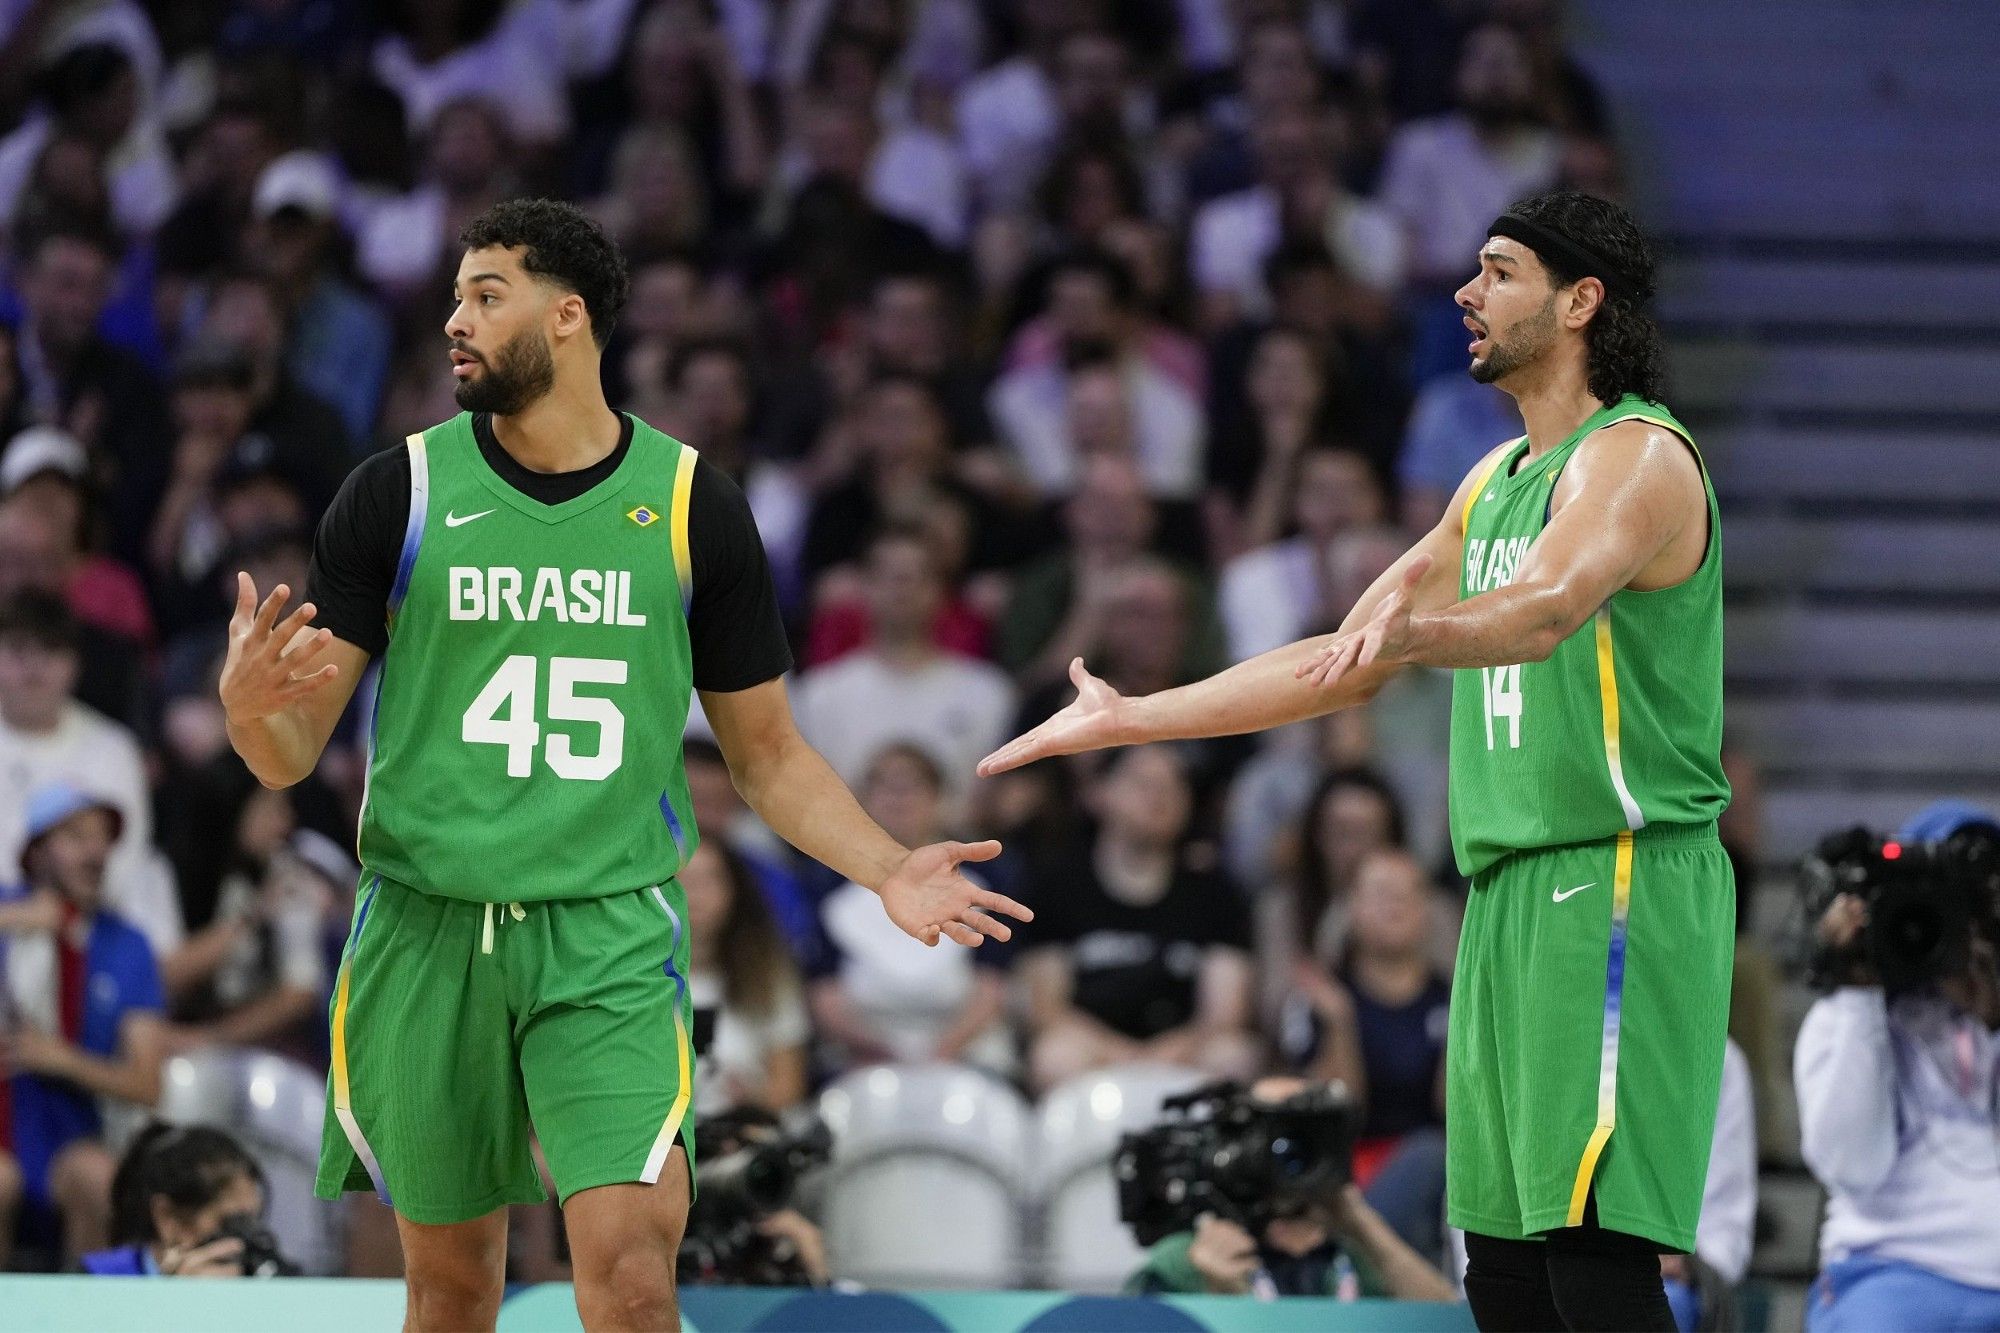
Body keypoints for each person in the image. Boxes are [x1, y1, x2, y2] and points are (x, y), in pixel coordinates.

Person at [220, 198, 1029, 1331]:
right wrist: (252, 715)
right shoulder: (395, 492)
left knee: (635, 1276)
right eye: (453, 296)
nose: (454, 320)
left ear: (567, 318)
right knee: (449, 1294)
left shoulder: (696, 504)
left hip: (604, 930)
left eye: (484, 296)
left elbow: (770, 756)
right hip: (425, 922)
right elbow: (290, 752)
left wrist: (886, 867)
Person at [984, 190, 1730, 1331]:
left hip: (1617, 880)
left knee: (1595, 1253)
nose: (1462, 294)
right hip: (1505, 892)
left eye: (1497, 272)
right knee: (1502, 1264)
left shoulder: (1633, 456)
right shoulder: (1490, 484)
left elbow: (1537, 611)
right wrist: (1135, 716)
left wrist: (1414, 633)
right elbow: (1340, 658)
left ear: (1580, 302)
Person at [1794, 803, 2000, 1333]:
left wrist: (1993, 1013)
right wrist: (1862, 991)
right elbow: (1853, 1166)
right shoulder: (1841, 1015)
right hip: (1885, 1269)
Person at [1016, 744, 1257, 1095]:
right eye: (1144, 784)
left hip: (1185, 1050)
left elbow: (1224, 1014)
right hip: (1092, 1050)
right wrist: (1124, 1055)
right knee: (1054, 1054)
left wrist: (1160, 1055)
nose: (1161, 797)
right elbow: (1047, 1009)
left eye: (1174, 785)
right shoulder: (1058, 886)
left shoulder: (1215, 892)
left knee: (1234, 1054)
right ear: (1098, 794)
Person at [0, 784, 166, 1265]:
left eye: (103, 840)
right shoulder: (8, 909)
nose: (96, 853)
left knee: (100, 1178)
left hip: (67, 1135)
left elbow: (146, 1083)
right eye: (76, 837)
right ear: (35, 852)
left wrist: (62, 1060)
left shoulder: (126, 944)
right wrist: (15, 919)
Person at [1125, 1076, 1457, 1302]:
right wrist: (1214, 1299)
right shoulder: (1190, 1258)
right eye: (1282, 1135)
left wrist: (1359, 1219)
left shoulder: (1349, 1252)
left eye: (1313, 1134)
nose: (1300, 1151)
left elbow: (1444, 1322)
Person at [808, 743, 1014, 1075]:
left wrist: (942, 1053)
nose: (899, 798)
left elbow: (991, 983)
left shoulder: (987, 875)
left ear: (939, 798)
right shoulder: (827, 882)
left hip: (965, 1050)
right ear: (862, 798)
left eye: (913, 786)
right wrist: (879, 1053)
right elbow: (823, 988)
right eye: (884, 785)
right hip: (860, 1055)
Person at [790, 525, 1016, 819]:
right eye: (888, 575)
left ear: (942, 589)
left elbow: (989, 806)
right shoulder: (818, 693)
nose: (902, 586)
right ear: (864, 586)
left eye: (918, 576)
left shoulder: (988, 692)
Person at [681, 839, 810, 1117]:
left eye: (709, 880)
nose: (696, 895)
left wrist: (751, 1100)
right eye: (683, 881)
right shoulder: (633, 977)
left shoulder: (766, 973)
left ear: (734, 889)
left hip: (744, 1132)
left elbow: (789, 1084)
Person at [81, 1122, 275, 1277]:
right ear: (168, 1220)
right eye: (235, 1223)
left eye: (253, 1222)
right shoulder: (93, 1283)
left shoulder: (258, 1277)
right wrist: (177, 1304)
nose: (246, 1241)